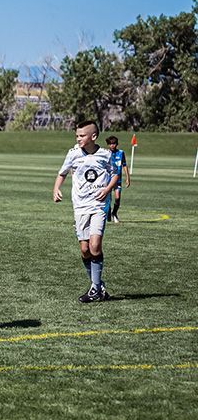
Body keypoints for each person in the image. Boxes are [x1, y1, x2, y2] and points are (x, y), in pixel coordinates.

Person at [53, 120, 118, 303]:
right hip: (80, 206)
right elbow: (62, 173)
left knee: (94, 246)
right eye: (77, 136)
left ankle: (95, 289)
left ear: (93, 137)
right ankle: (97, 286)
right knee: (84, 250)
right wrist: (56, 189)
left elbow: (114, 174)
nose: (78, 139)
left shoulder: (105, 155)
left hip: (98, 205)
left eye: (82, 136)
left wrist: (106, 190)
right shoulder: (73, 153)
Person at [106, 135, 131, 223]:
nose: (112, 145)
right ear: (108, 144)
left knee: (117, 197)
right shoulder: (105, 153)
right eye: (110, 144)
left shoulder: (121, 153)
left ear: (117, 144)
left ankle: (114, 213)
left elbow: (124, 165)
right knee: (108, 199)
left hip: (117, 180)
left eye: (114, 144)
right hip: (107, 180)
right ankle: (108, 213)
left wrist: (128, 178)